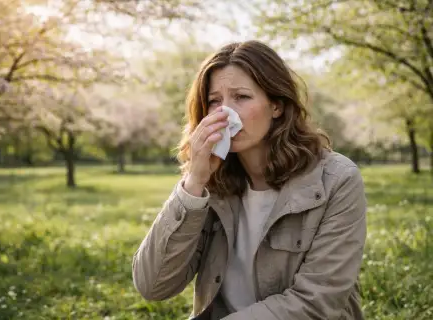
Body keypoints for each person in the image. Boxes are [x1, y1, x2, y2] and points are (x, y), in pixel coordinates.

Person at [132, 40, 367, 320]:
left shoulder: (337, 179)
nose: (225, 113)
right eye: (214, 101)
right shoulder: (210, 182)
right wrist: (193, 183)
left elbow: (316, 302)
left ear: (276, 105)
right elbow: (153, 285)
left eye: (241, 97)